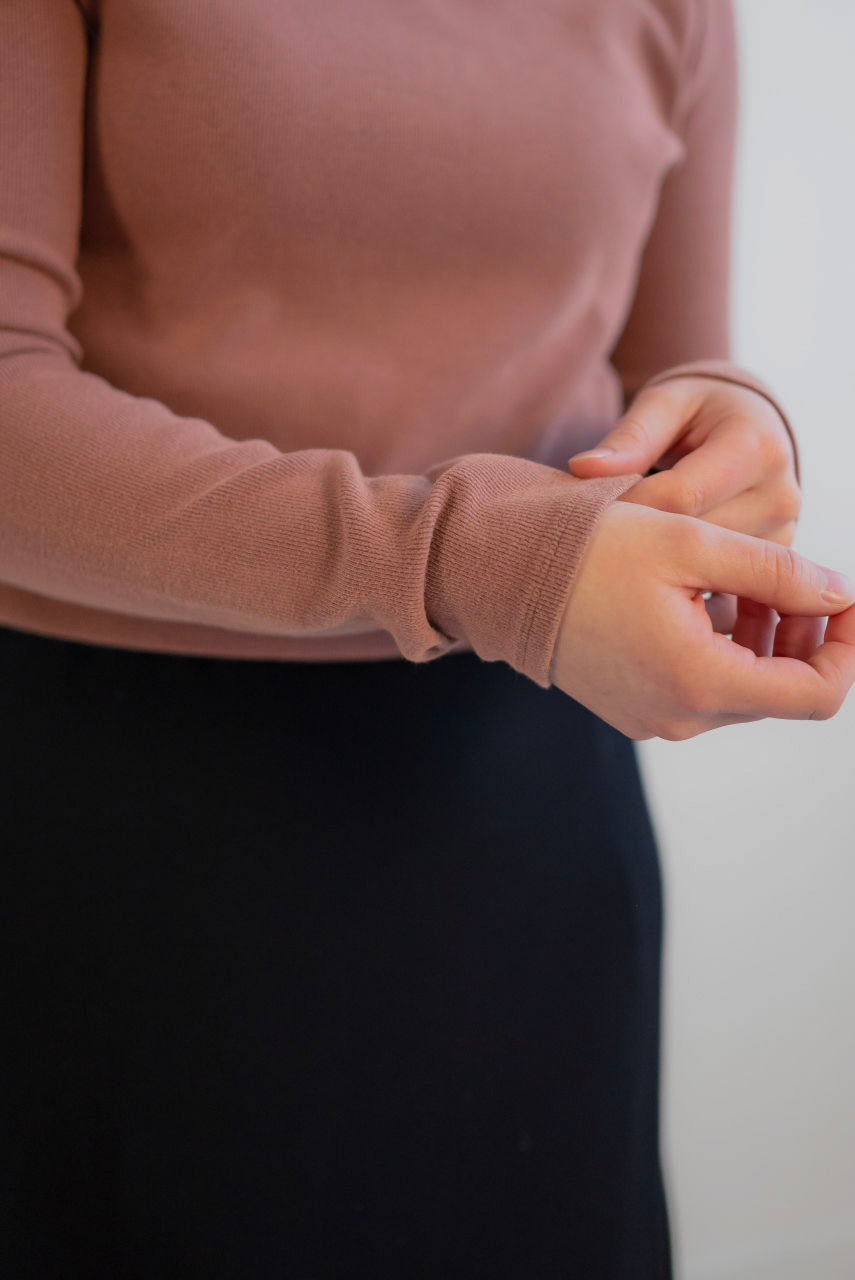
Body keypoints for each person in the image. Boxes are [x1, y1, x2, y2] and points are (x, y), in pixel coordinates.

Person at [1, 1, 853, 1277]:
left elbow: (668, 366)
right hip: (131, 815)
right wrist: (469, 557)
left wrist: (739, 428)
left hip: (529, 813)